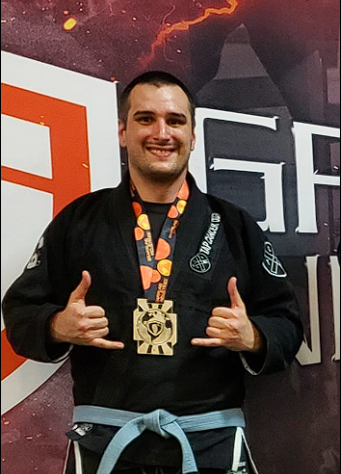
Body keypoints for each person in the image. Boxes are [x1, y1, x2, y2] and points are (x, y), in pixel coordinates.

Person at [2, 71, 303, 474]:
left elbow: (287, 321)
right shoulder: (79, 221)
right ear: (123, 132)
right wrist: (57, 326)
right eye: (146, 119)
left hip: (210, 445)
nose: (162, 132)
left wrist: (253, 337)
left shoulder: (235, 226)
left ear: (193, 136)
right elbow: (20, 311)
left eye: (175, 121)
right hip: (106, 444)